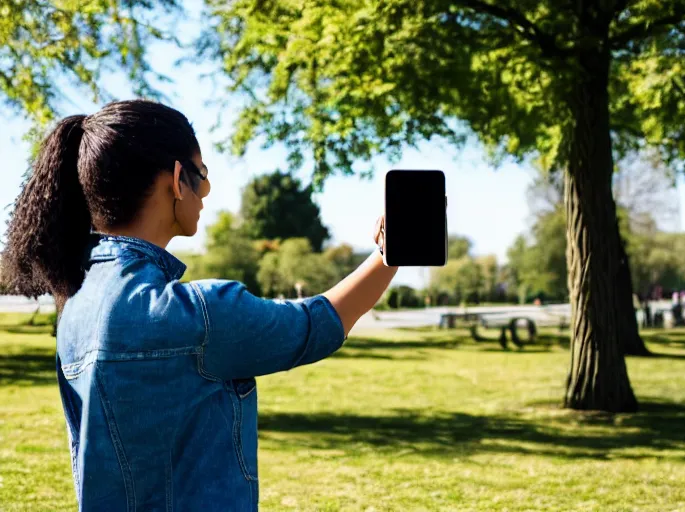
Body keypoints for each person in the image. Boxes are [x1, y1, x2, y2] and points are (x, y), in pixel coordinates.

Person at [0, 100, 398, 511]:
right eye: (202, 175)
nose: (206, 192)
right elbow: (314, 325)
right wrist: (389, 254)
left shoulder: (74, 308)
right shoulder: (198, 314)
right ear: (177, 179)